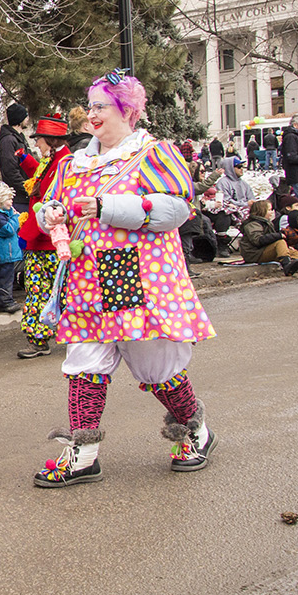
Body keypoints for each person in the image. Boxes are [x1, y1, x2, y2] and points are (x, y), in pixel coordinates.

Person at [32, 71, 217, 488]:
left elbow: (175, 211)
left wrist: (106, 207)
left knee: (157, 368)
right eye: (90, 105)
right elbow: (48, 209)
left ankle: (195, 430)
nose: (91, 114)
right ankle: (84, 454)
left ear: (127, 110)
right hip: (84, 278)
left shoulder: (154, 154)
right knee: (83, 365)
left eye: (101, 106)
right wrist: (52, 215)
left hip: (138, 278)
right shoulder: (73, 161)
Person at [16, 115, 72, 359]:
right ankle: (39, 338)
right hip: (39, 239)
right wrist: (25, 159)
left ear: (50, 140)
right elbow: (38, 179)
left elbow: (53, 196)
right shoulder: (52, 160)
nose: (36, 144)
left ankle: (74, 335)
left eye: (38, 139)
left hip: (51, 239)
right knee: (40, 290)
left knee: (60, 289)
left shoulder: (66, 163)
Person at [0, 183, 21, 313]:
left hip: (7, 254)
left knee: (7, 277)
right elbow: (9, 230)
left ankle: (6, 299)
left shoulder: (3, 214)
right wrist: (15, 217)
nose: (11, 202)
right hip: (3, 253)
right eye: (9, 199)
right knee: (3, 278)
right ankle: (3, 302)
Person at [240, 200, 298, 274]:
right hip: (254, 253)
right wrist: (278, 235)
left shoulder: (267, 222)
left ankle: (294, 266)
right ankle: (287, 265)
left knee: (293, 252)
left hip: (262, 250)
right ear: (262, 211)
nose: (272, 212)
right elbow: (258, 240)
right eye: (269, 210)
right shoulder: (253, 224)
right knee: (280, 242)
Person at [0, 102, 38, 212]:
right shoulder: (8, 141)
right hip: (18, 200)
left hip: (25, 198)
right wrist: (28, 188)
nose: (28, 119)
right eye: (26, 116)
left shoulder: (20, 139)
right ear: (20, 119)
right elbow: (10, 171)